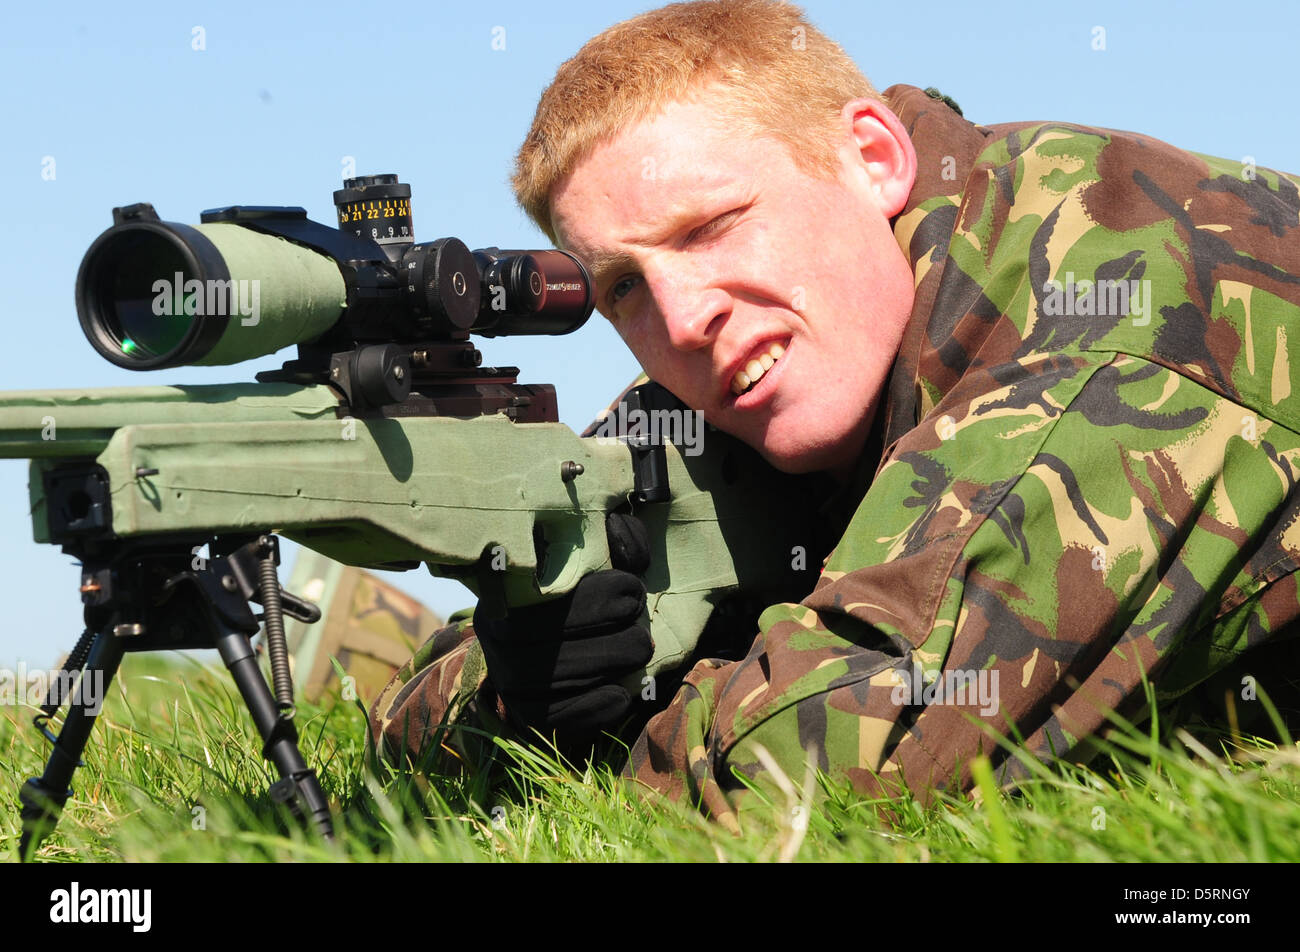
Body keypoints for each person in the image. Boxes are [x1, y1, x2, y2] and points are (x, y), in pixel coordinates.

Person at [368, 0, 1300, 829]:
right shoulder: (750, 372)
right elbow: (403, 715)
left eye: (712, 226)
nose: (686, 318)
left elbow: (853, 754)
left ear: (875, 158)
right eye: (623, 288)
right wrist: (523, 688)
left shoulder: (1107, 307)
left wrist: (624, 722)